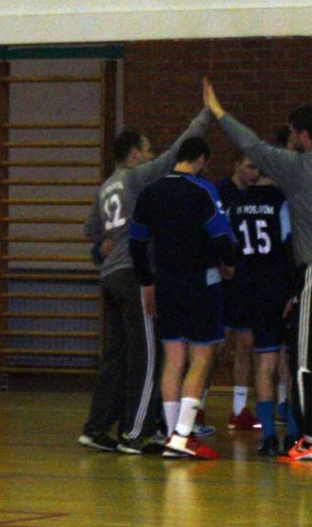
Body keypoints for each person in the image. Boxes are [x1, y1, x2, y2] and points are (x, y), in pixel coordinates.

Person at [203, 78, 312, 461]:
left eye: (292, 133)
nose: (291, 140)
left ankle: (310, 437)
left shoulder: (299, 167)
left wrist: (219, 112)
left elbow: (252, 145)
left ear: (302, 135)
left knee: (304, 357)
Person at [78, 109, 212, 454]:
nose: (151, 156)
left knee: (116, 357)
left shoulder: (105, 187)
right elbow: (174, 154)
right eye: (147, 150)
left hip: (110, 277)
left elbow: (91, 230)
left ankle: (96, 427)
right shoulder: (136, 178)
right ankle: (135, 433)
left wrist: (103, 243)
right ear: (135, 154)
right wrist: (203, 117)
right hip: (133, 275)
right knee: (149, 357)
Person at [129, 136, 237, 459]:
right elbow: (222, 236)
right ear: (201, 159)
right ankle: (183, 435)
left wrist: (146, 281)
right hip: (200, 282)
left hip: (165, 282)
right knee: (201, 357)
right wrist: (229, 262)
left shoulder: (150, 191)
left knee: (173, 358)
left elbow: (136, 242)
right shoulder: (203, 190)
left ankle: (171, 434)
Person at [224, 167, 300, 456]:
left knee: (264, 362)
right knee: (289, 362)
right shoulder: (282, 203)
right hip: (279, 289)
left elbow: (227, 247)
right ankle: (292, 434)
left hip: (249, 290)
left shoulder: (237, 205)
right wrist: (294, 290)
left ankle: (268, 437)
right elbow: (291, 247)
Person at [217, 154, 264, 431]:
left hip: (248, 279)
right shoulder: (221, 192)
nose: (254, 173)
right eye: (249, 166)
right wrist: (221, 261)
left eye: (257, 168)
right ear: (236, 166)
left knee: (246, 344)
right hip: (225, 278)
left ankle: (238, 409)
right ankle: (196, 407)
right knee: (214, 346)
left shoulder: (257, 196)